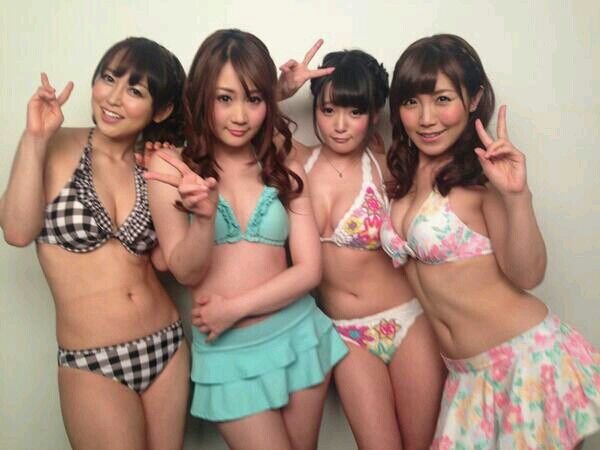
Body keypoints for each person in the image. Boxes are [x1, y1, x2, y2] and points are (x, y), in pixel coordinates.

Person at [382, 33, 600, 449]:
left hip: (526, 362)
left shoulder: (480, 181)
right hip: (467, 377)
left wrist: (517, 196)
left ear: (474, 99)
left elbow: (528, 275)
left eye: (442, 99)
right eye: (411, 102)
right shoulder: (402, 177)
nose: (426, 118)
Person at [144, 29, 347, 450]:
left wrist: (233, 309)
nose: (240, 116)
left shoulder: (281, 160)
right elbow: (185, 272)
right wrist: (203, 218)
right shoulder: (171, 167)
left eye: (254, 99)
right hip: (227, 355)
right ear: (202, 96)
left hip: (298, 334)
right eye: (224, 98)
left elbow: (310, 270)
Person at [0, 37, 190, 449]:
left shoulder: (152, 162)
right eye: (108, 78)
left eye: (135, 90)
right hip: (93, 362)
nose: (113, 98)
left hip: (167, 345)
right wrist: (34, 138)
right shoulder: (53, 144)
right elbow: (16, 231)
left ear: (161, 110)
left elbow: (168, 259)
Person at [284, 48, 445, 449]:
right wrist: (281, 89)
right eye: (328, 110)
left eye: (355, 112)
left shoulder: (387, 168)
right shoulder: (296, 160)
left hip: (408, 322)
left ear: (375, 115)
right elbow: (246, 121)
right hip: (345, 333)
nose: (340, 125)